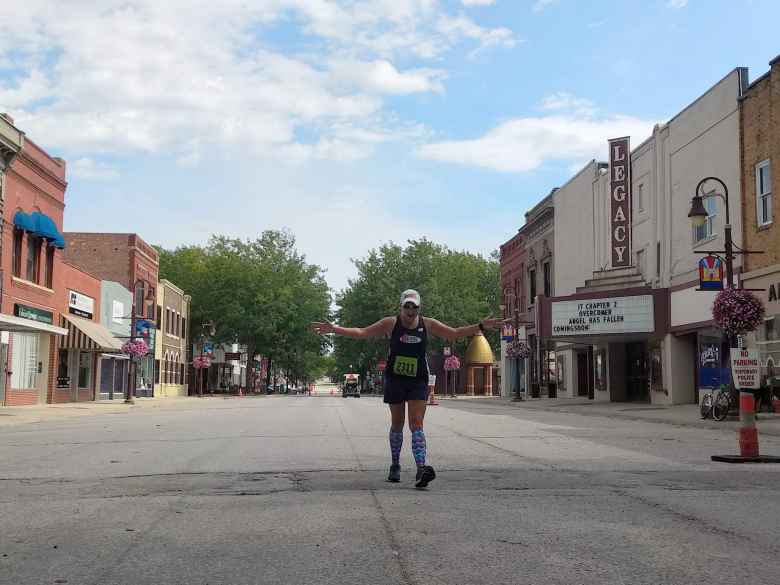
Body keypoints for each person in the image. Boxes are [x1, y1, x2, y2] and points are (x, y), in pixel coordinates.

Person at [312, 289, 501, 489]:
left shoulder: (428, 324)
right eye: (407, 306)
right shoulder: (390, 323)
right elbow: (363, 332)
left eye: (414, 307)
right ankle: (395, 464)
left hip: (418, 379)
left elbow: (453, 333)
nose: (410, 311)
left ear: (419, 308)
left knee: (416, 423)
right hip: (396, 379)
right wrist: (335, 328)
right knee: (397, 423)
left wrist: (480, 326)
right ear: (401, 307)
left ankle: (421, 469)